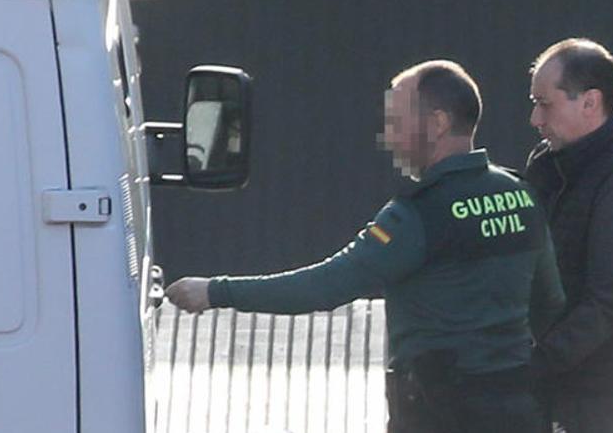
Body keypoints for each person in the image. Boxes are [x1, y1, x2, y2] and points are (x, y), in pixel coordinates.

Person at [165, 60, 565, 433]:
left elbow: (326, 285)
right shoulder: (521, 196)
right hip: (518, 410)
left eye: (396, 122)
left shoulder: (417, 214)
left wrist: (214, 291)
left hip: (440, 412)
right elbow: (549, 302)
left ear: (438, 123)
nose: (388, 137)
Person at [524, 38, 613, 432]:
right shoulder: (550, 163)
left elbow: (607, 301)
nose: (535, 118)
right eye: (533, 102)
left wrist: (532, 365)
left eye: (545, 103)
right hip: (552, 384)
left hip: (596, 396)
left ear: (590, 102)